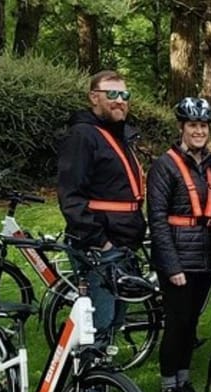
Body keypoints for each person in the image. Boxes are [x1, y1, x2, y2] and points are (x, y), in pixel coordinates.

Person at [57, 69, 145, 347]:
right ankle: (90, 388)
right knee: (99, 319)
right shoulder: (83, 136)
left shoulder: (116, 135)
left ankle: (103, 384)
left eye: (124, 95)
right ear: (94, 98)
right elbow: (71, 196)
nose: (120, 101)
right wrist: (100, 242)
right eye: (112, 94)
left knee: (115, 319)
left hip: (123, 242)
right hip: (100, 247)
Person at [146, 97, 211, 392]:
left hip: (204, 256)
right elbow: (157, 219)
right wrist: (171, 264)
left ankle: (184, 378)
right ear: (182, 128)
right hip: (177, 255)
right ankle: (167, 386)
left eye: (204, 126)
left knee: (191, 321)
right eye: (193, 126)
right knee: (176, 322)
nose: (199, 131)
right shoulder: (165, 166)